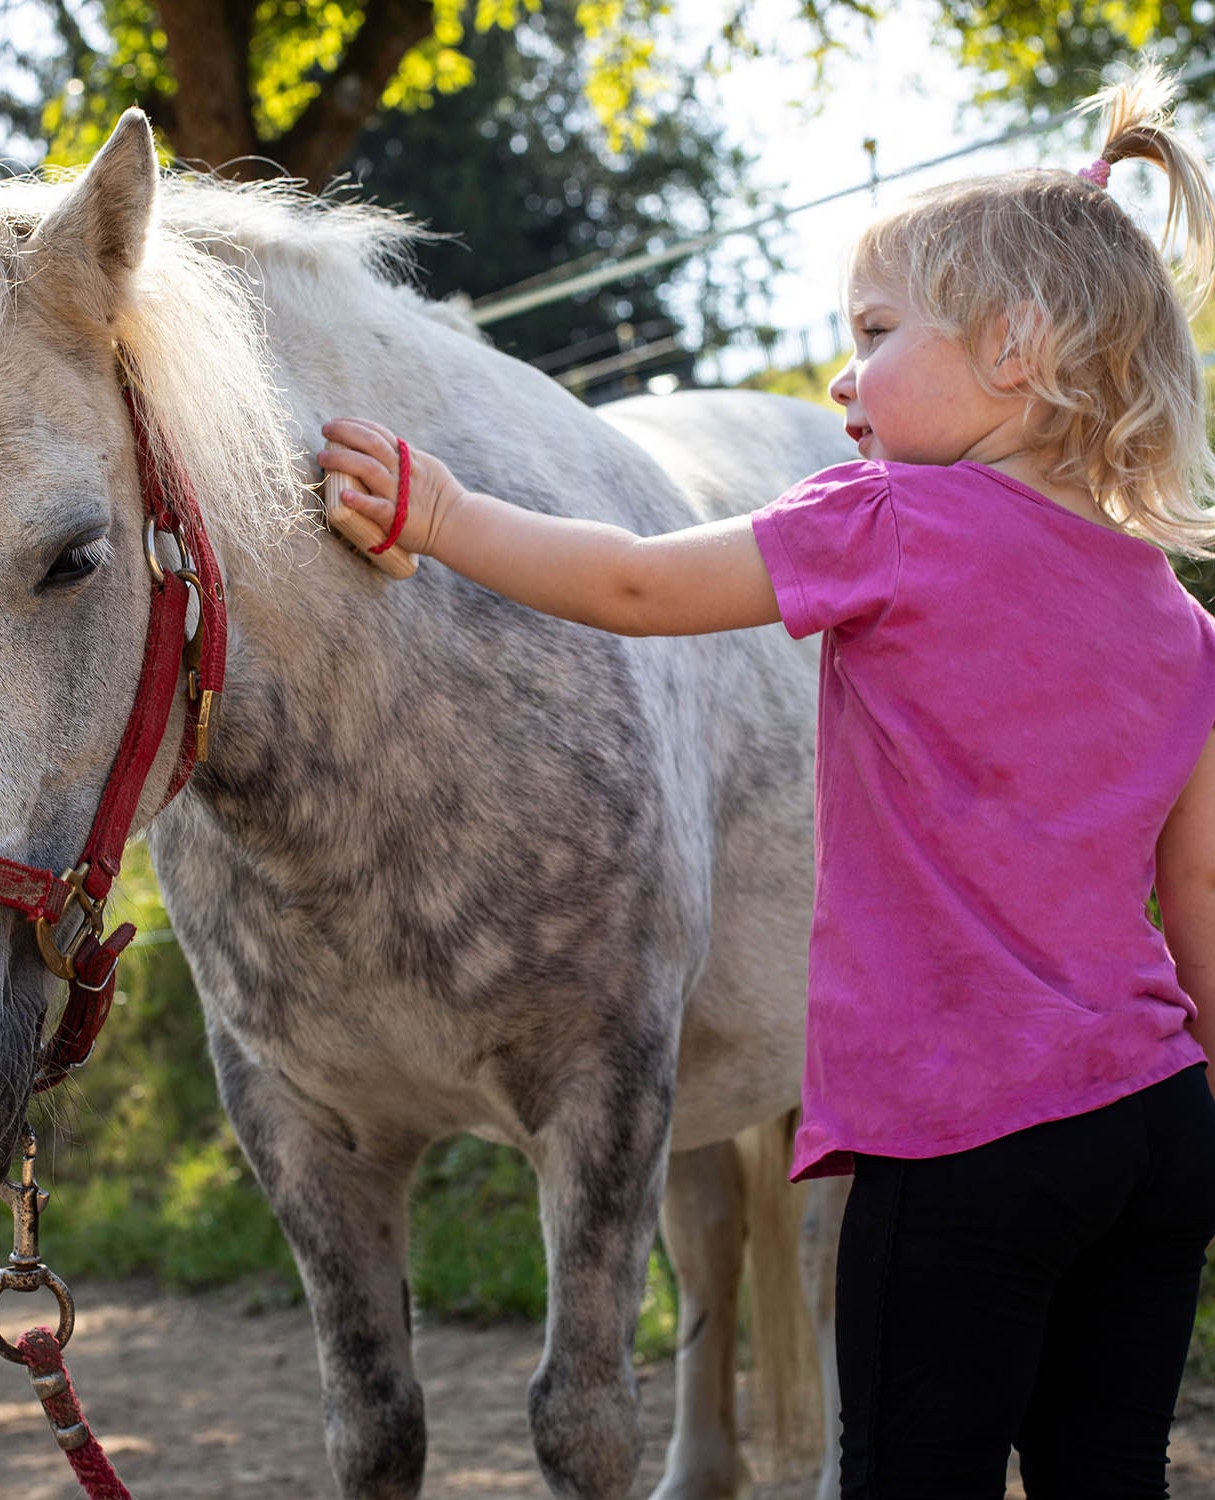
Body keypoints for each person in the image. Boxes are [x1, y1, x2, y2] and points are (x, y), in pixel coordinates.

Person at [318, 65, 1215, 1500]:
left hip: (967, 1139)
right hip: (1158, 1129)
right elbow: (1200, 903)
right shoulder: (1179, 619)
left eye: (872, 334)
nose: (841, 380)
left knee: (909, 1474)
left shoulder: (887, 523)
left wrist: (444, 511)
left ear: (1017, 346)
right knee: (1105, 1471)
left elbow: (626, 581)